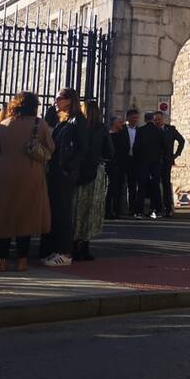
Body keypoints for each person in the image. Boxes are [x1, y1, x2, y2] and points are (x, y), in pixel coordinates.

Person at [0, 92, 53, 272]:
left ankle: (2, 260)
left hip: (4, 173)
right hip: (30, 172)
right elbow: (50, 148)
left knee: (4, 215)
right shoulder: (39, 124)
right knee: (26, 216)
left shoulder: (2, 125)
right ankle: (22, 260)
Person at [42, 88, 88, 265]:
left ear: (69, 100)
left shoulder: (78, 121)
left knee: (63, 212)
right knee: (56, 211)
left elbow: (83, 148)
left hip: (65, 173)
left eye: (59, 98)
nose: (55, 101)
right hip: (57, 172)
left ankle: (64, 252)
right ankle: (55, 249)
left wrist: (68, 168)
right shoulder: (65, 120)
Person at [73, 100, 113, 261]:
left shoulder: (76, 126)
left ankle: (73, 244)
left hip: (77, 172)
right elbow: (110, 152)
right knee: (91, 210)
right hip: (94, 172)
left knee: (77, 208)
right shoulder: (101, 128)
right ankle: (85, 246)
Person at [135, 110, 185, 218]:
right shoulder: (155, 131)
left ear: (162, 119)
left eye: (159, 119)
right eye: (156, 120)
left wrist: (176, 154)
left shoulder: (170, 129)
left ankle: (167, 208)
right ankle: (154, 208)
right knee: (154, 185)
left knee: (166, 184)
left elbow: (181, 141)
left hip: (166, 161)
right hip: (155, 162)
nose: (157, 121)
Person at [110, 109, 141, 218]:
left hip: (134, 161)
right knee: (119, 185)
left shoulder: (139, 130)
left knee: (132, 185)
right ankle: (117, 209)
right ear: (127, 118)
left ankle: (132, 209)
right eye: (133, 117)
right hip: (122, 160)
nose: (135, 120)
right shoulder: (121, 129)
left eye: (136, 118)